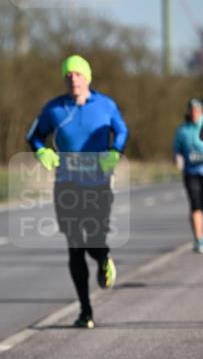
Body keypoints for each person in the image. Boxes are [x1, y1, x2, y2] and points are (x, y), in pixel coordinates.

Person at [26, 54, 129, 329]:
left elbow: (122, 130)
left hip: (98, 184)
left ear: (88, 77)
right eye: (68, 75)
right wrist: (42, 151)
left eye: (78, 74)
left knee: (94, 239)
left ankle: (103, 258)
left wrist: (115, 152)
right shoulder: (54, 108)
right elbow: (33, 135)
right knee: (74, 246)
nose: (73, 79)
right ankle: (85, 310)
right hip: (67, 184)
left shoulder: (106, 105)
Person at [172, 97, 203, 253]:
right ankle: (199, 240)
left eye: (197, 110)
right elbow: (176, 150)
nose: (194, 113)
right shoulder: (182, 130)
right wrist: (177, 158)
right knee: (196, 205)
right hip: (191, 172)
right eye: (192, 110)